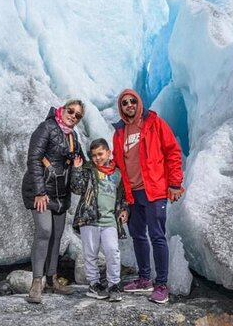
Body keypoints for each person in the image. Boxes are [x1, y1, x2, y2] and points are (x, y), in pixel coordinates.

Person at [113, 89, 183, 304]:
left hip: (154, 190)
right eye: (124, 103)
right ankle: (145, 279)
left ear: (139, 103)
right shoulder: (119, 133)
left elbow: (173, 152)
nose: (129, 105)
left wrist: (174, 184)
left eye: (132, 101)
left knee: (157, 236)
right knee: (138, 236)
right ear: (121, 107)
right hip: (133, 194)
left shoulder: (154, 123)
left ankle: (161, 284)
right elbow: (116, 163)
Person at [21, 99, 86, 304]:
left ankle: (52, 279)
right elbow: (33, 159)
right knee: (44, 231)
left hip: (60, 194)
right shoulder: (46, 128)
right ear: (63, 109)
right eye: (71, 111)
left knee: (57, 235)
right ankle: (36, 282)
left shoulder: (73, 136)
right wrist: (40, 192)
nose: (73, 116)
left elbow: (81, 161)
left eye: (77, 115)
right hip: (41, 192)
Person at [70, 138, 129, 302]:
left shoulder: (117, 174)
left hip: (110, 220)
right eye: (94, 155)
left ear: (108, 153)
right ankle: (94, 284)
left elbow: (122, 196)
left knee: (113, 251)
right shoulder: (88, 170)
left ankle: (114, 284)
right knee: (91, 254)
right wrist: (76, 169)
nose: (97, 158)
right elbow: (77, 188)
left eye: (100, 154)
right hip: (89, 219)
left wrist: (125, 209)